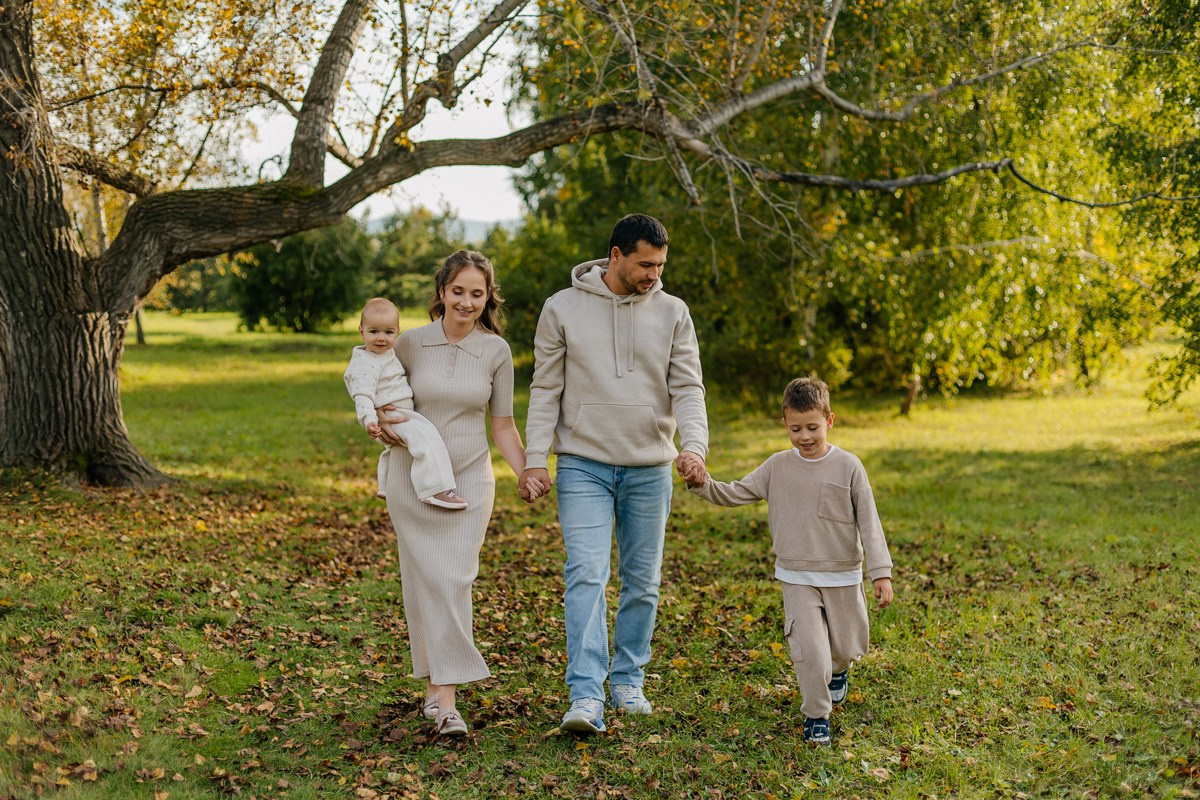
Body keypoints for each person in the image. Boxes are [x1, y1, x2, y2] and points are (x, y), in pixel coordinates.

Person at [520, 213, 709, 734]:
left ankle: (628, 679)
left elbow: (688, 388)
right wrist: (536, 458)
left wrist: (693, 447)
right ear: (616, 255)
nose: (654, 274)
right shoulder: (562, 308)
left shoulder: (673, 311)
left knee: (642, 583)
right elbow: (544, 389)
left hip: (650, 466)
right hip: (583, 463)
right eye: (646, 264)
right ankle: (585, 696)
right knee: (585, 573)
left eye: (661, 265)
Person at [374, 250, 541, 736]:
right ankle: (440, 696)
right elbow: (383, 400)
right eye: (458, 291)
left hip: (469, 479)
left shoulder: (497, 351)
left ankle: (443, 697)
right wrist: (382, 428)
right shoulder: (409, 344)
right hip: (415, 478)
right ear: (442, 291)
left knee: (454, 579)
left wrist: (528, 469)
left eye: (477, 293)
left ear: (488, 297)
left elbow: (504, 425)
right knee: (424, 579)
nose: (466, 302)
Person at [685, 376, 895, 746]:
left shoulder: (849, 466)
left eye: (813, 427)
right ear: (785, 423)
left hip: (843, 574)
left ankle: (839, 671)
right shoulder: (776, 467)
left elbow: (869, 521)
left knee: (845, 645)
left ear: (829, 421)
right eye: (795, 428)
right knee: (810, 649)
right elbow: (735, 492)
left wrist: (881, 573)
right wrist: (703, 484)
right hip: (796, 574)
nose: (805, 436)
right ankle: (816, 716)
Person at [343, 297, 466, 509]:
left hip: (399, 411)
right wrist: (369, 420)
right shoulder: (366, 363)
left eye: (389, 332)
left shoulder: (382, 353)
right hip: (394, 414)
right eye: (374, 332)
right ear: (361, 330)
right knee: (427, 439)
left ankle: (386, 485)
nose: (381, 338)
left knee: (392, 449)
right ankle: (435, 488)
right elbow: (362, 394)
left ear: (397, 331)